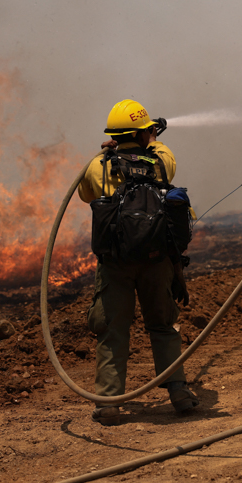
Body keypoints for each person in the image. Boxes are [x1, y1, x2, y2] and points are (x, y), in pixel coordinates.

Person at [77, 99, 199, 426]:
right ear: (143, 133)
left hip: (116, 263)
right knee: (163, 324)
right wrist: (152, 137)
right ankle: (179, 393)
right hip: (157, 261)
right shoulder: (161, 162)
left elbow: (86, 194)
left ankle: (108, 401)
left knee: (112, 329)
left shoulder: (98, 166)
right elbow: (163, 154)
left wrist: (114, 152)